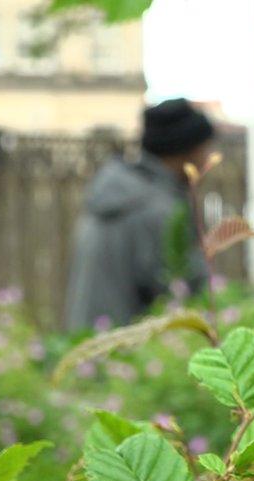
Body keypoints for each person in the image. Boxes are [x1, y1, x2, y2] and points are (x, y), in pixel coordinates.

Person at [65, 98, 214, 330]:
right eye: (204, 150)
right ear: (184, 153)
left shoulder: (113, 192)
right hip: (132, 356)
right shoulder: (159, 211)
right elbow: (185, 292)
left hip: (87, 345)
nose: (208, 160)